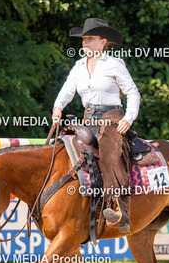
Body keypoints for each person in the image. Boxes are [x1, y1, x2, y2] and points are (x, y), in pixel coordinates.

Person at [52, 18, 140, 233]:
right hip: (88, 119)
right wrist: (57, 107)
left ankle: (119, 207)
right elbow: (67, 91)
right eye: (84, 38)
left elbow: (132, 93)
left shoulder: (115, 64)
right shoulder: (78, 66)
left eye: (90, 38)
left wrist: (128, 118)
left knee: (110, 151)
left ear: (103, 42)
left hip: (112, 117)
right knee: (64, 146)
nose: (85, 42)